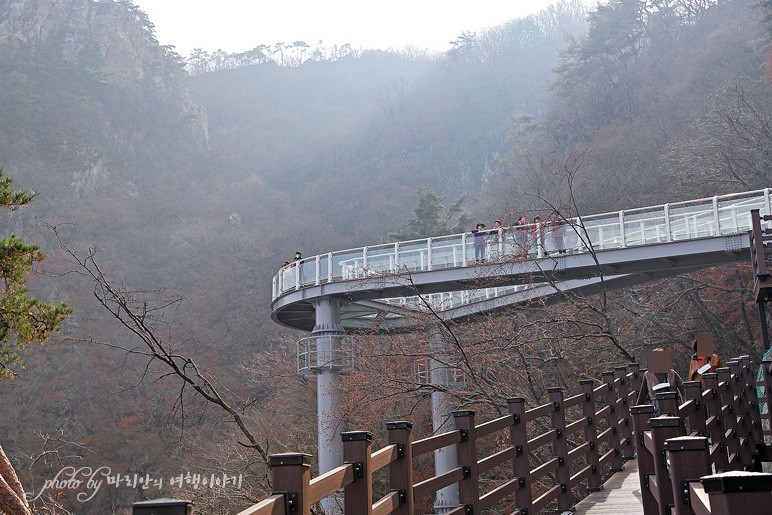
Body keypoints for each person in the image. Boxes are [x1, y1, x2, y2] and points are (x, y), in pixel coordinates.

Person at [637, 347, 685, 415]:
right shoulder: (648, 375)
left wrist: (686, 405)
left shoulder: (672, 373)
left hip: (673, 406)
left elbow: (683, 389)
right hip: (655, 409)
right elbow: (643, 394)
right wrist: (637, 410)